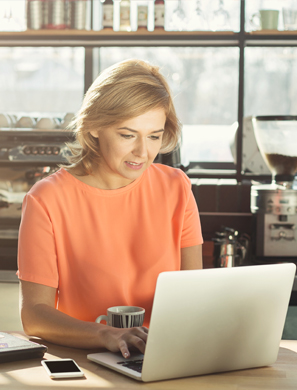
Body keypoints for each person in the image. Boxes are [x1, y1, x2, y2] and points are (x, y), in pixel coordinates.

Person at [17, 59, 203, 358]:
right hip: (85, 361)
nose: (143, 152)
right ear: (93, 128)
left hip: (164, 358)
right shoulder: (47, 199)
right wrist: (107, 334)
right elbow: (35, 316)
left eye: (153, 136)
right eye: (128, 135)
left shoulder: (176, 187)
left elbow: (195, 292)